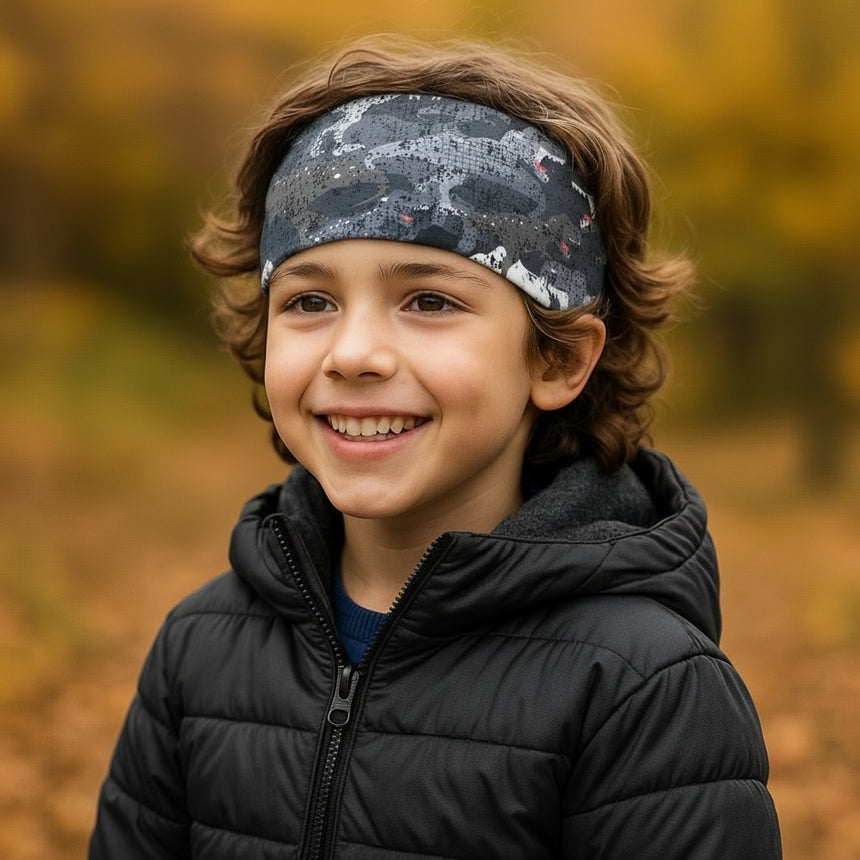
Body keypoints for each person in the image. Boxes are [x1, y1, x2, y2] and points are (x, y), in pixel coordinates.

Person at [89, 35, 782, 859]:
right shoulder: (200, 650)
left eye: (426, 299)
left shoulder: (643, 689)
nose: (353, 354)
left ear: (557, 357)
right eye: (310, 300)